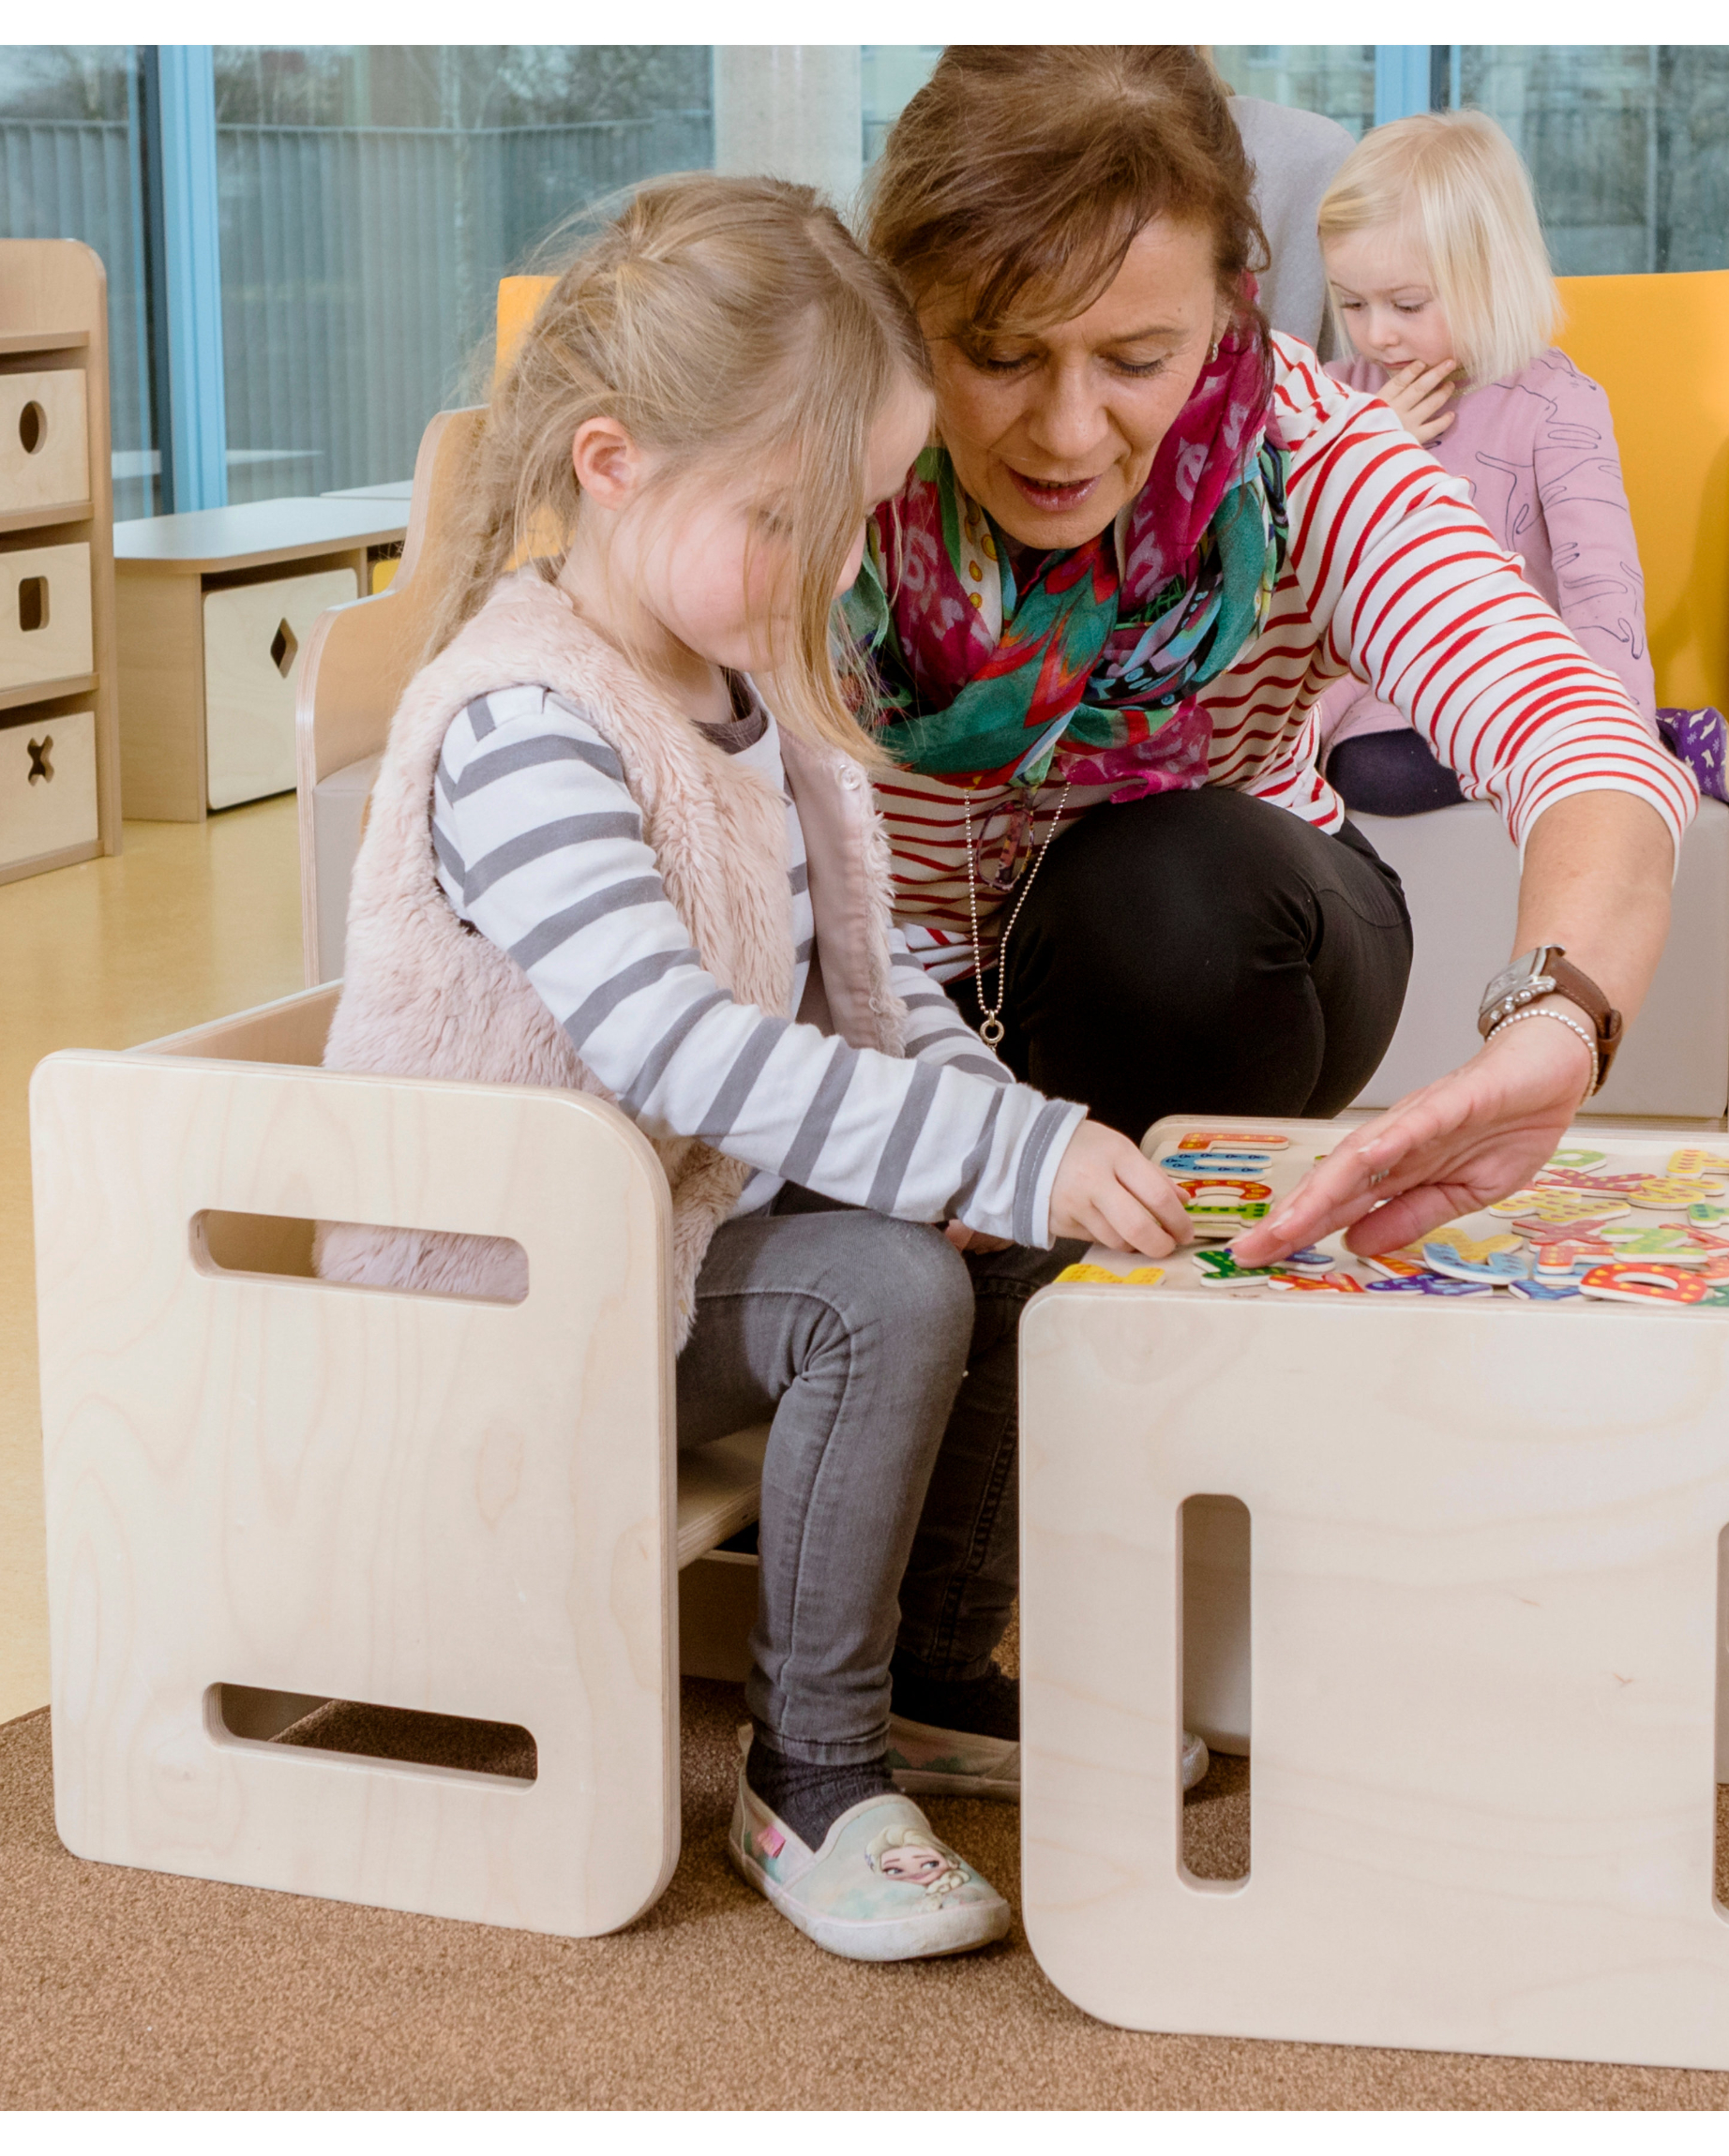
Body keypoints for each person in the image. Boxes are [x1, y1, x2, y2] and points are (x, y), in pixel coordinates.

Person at [311, 173, 1191, 1964]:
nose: (844, 572)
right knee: (882, 1281)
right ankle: (808, 1765)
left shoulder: (745, 686)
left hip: (659, 1235)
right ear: (614, 463)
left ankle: (931, 1672)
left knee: (1002, 1231)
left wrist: (1020, 1145)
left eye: (863, 517)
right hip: (502, 1286)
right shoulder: (526, 721)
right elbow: (671, 1040)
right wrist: (966, 1165)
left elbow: (869, 985)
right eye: (795, 518)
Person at [849, 45, 1699, 1278]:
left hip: (1224, 944)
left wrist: (1560, 1015)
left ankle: (1089, 1329)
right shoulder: (814, 457)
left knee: (1163, 895)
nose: (1068, 433)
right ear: (901, 306)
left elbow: (1579, 733)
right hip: (899, 976)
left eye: (1138, 359)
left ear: (1232, 300)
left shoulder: (1307, 448)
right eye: (1002, 355)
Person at [1312, 107, 1729, 816]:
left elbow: (1602, 588)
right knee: (1353, 768)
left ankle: (1659, 740)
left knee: (1376, 775)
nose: (1377, 333)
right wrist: (1367, 447)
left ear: (1491, 277)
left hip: (1515, 683)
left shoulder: (1553, 404)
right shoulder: (1341, 394)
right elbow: (1306, 574)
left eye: (1407, 304)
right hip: (1381, 693)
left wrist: (1616, 744)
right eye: (1353, 303)